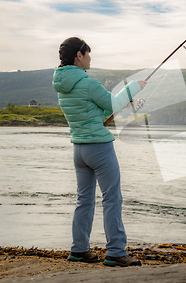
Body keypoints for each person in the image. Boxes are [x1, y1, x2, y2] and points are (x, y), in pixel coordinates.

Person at [52, 37, 146, 267]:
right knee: (112, 199)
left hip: (79, 151)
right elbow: (113, 104)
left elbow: (95, 110)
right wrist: (134, 86)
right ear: (79, 56)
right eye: (88, 53)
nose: (90, 58)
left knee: (84, 200)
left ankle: (79, 250)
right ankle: (115, 252)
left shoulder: (62, 86)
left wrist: (125, 104)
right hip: (100, 149)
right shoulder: (89, 84)